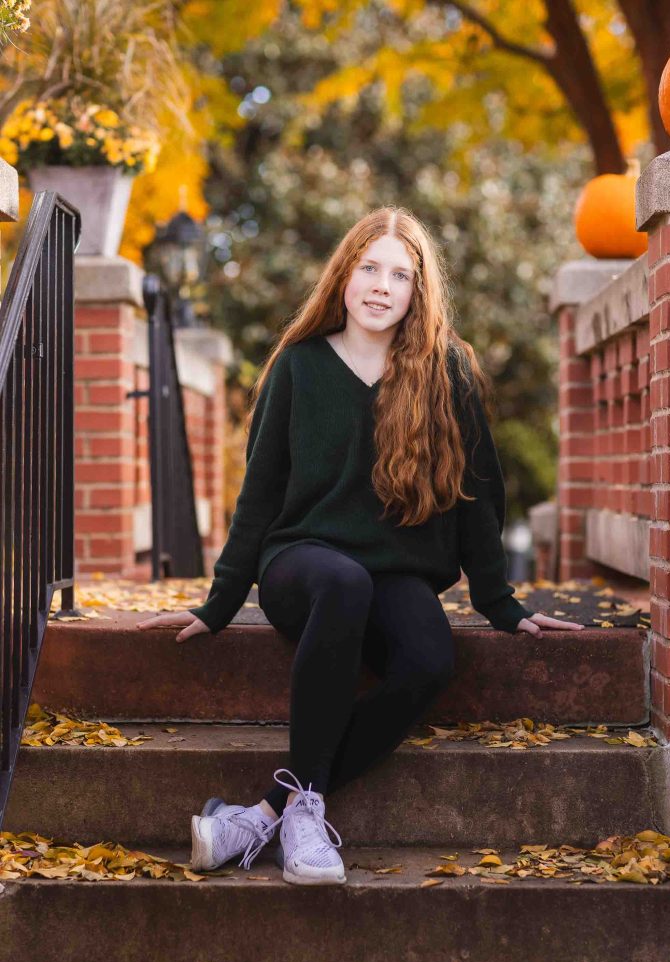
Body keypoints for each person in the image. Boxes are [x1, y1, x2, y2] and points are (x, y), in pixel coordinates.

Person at [137, 206, 583, 887]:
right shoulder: (298, 366)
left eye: (399, 275)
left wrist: (499, 602)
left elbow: (476, 494)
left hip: (395, 571)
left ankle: (263, 814)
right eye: (369, 268)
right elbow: (259, 496)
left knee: (430, 659)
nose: (381, 285)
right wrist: (221, 602)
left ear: (416, 292)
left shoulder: (446, 374)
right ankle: (308, 819)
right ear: (343, 276)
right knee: (341, 582)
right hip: (301, 566)